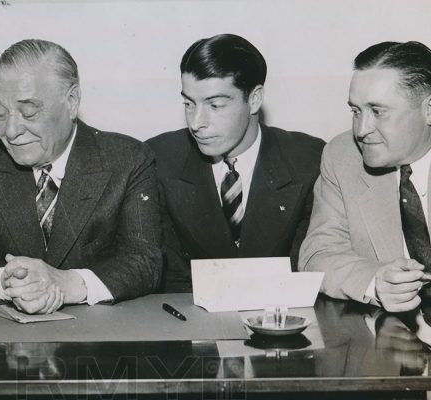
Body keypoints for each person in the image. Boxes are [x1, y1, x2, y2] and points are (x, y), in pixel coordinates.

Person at [0, 39, 161, 314]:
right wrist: (13, 284)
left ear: (72, 101)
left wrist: (68, 283)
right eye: (0, 112)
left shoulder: (128, 158)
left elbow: (144, 260)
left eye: (28, 111)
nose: (11, 130)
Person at [147, 34, 324, 292]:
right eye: (188, 103)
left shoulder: (309, 160)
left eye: (215, 105)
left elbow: (306, 272)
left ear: (254, 99)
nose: (196, 122)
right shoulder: (158, 158)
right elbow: (169, 278)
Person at [300, 41, 431, 313]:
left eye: (377, 111)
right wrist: (375, 282)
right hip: (395, 340)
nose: (361, 130)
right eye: (356, 111)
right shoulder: (343, 156)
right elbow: (317, 254)